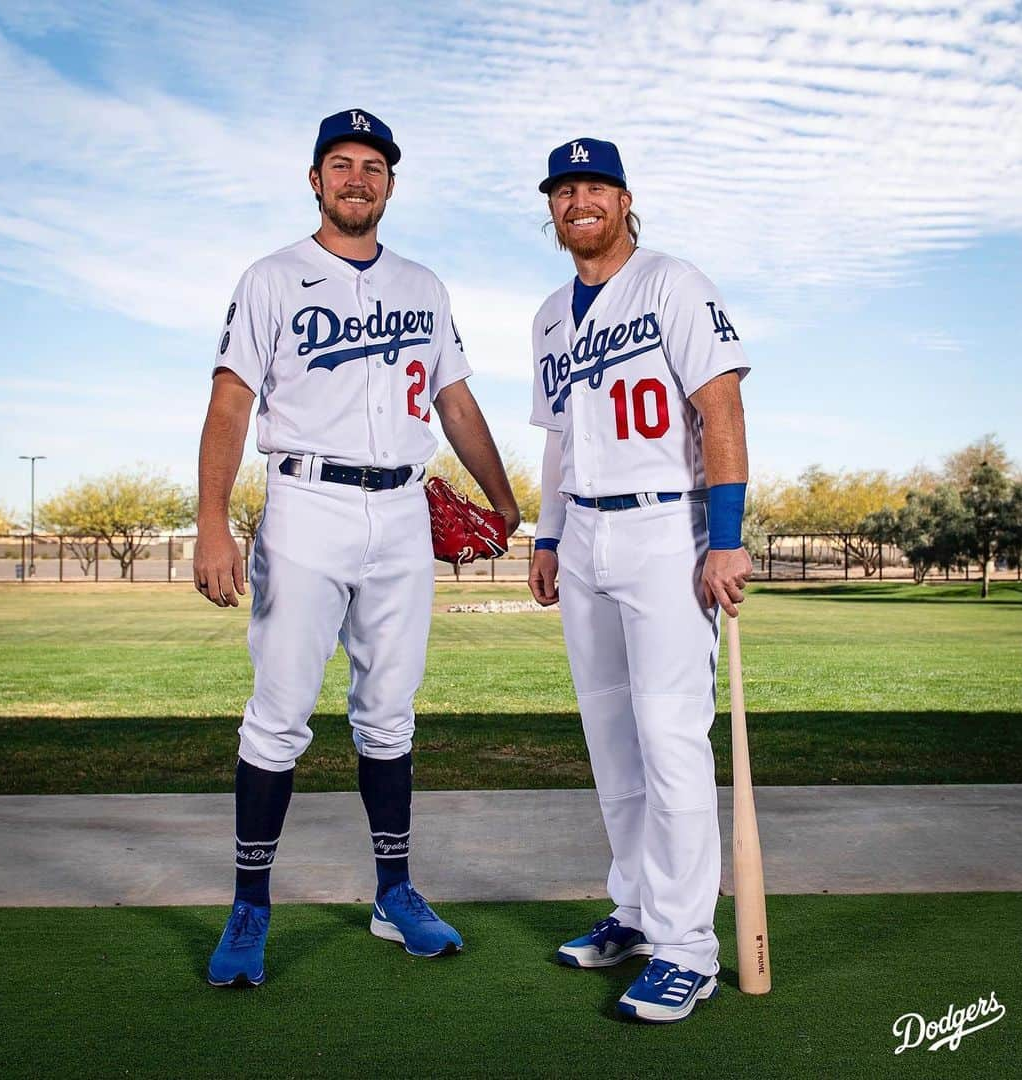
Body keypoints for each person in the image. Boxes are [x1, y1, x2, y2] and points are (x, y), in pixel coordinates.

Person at [195, 108, 519, 986]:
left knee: (390, 711)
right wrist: (213, 520)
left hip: (404, 509)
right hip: (306, 503)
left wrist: (504, 498)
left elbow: (455, 404)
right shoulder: (271, 277)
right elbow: (231, 402)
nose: (356, 178)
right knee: (281, 713)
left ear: (389, 185)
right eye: (340, 164)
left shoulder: (423, 284)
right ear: (315, 181)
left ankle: (394, 894)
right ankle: (250, 905)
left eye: (372, 166)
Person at [526, 138, 752, 1023]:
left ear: (624, 200)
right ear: (552, 209)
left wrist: (725, 540)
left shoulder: (673, 281)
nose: (578, 200)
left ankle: (689, 947)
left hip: (667, 524)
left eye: (594, 186)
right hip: (581, 529)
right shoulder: (549, 312)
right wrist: (545, 536)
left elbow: (721, 407)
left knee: (669, 739)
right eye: (563, 189)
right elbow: (559, 439)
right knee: (611, 741)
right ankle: (636, 912)